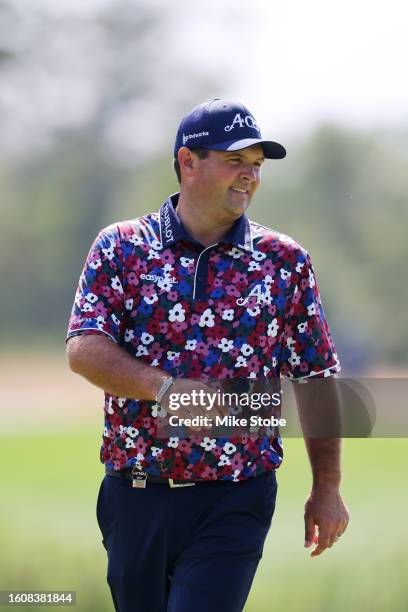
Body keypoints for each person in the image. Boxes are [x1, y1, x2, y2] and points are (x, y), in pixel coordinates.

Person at [66, 99, 349, 612]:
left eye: (257, 165)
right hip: (136, 491)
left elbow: (315, 377)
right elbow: (85, 348)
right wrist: (166, 390)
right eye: (235, 161)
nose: (250, 177)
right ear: (187, 161)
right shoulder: (122, 248)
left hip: (236, 495)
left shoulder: (284, 261)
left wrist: (326, 487)